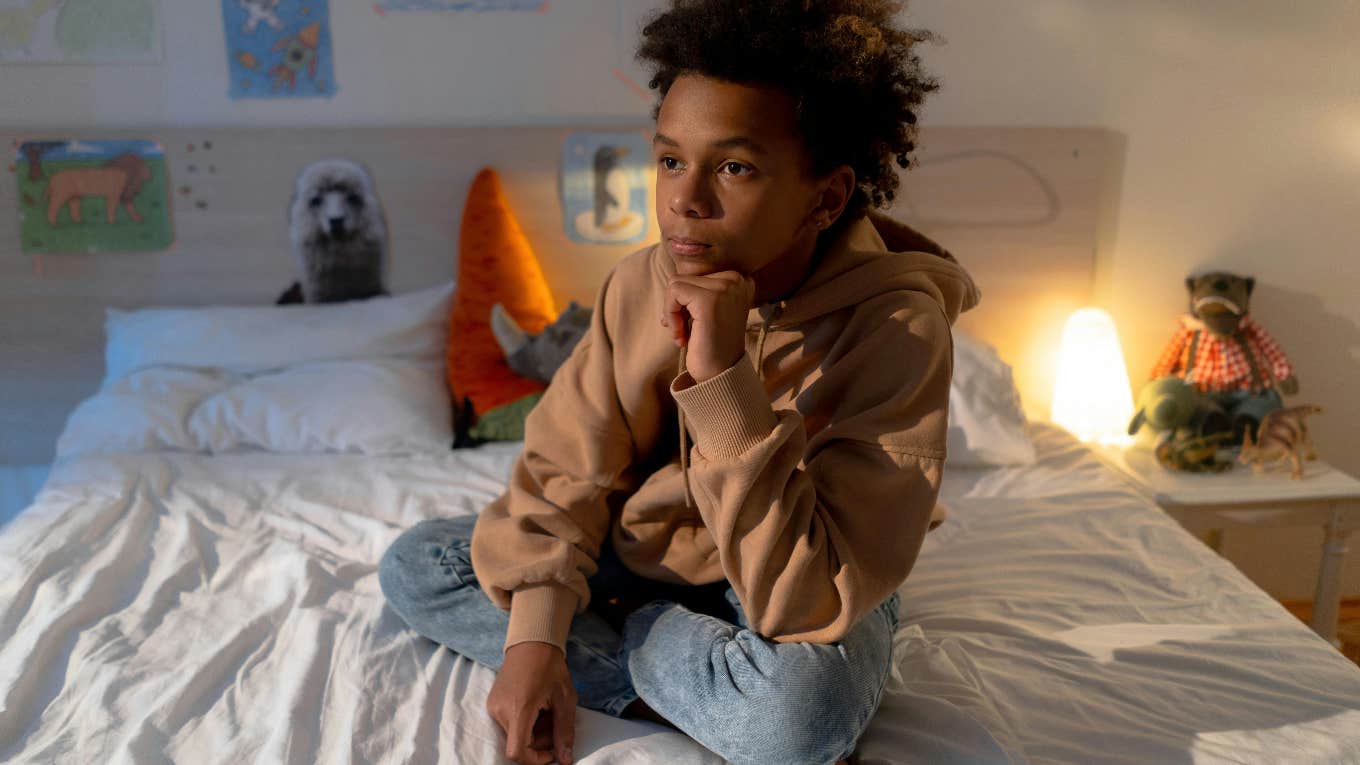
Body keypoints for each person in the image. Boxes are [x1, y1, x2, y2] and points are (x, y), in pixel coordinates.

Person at [379, 2, 979, 763]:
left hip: (799, 568)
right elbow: (567, 469)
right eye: (669, 159)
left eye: (734, 167)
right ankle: (665, 661)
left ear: (825, 197)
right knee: (418, 562)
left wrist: (724, 377)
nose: (684, 199)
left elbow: (809, 598)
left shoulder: (898, 329)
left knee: (797, 718)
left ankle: (629, 633)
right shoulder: (641, 281)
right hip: (638, 551)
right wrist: (534, 639)